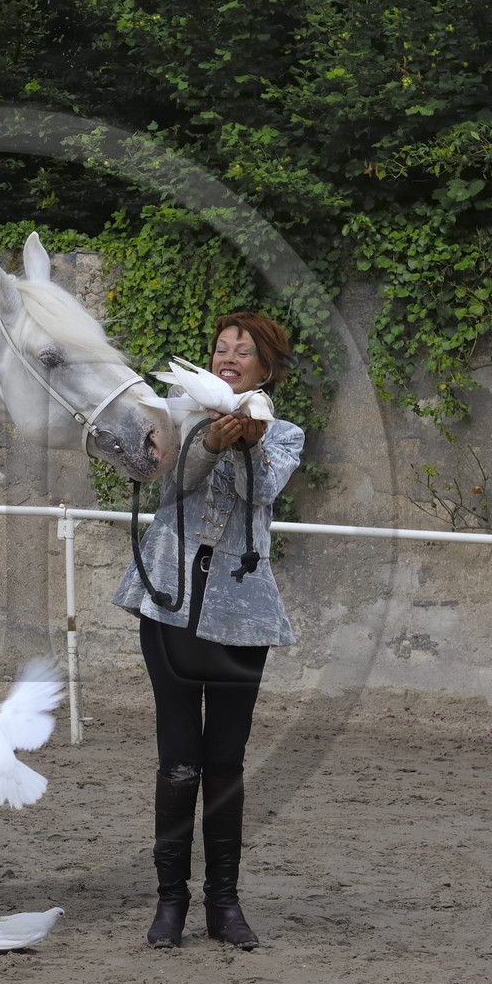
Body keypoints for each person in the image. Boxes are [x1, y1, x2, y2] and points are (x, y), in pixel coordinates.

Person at [112, 311, 304, 950]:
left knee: (226, 762)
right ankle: (171, 902)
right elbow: (168, 482)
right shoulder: (178, 417)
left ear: (266, 368)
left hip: (240, 617)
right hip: (168, 603)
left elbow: (264, 492)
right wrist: (211, 444)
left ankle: (224, 904)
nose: (228, 358)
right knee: (179, 762)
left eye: (243, 352)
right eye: (221, 348)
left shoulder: (286, 435)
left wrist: (246, 444)